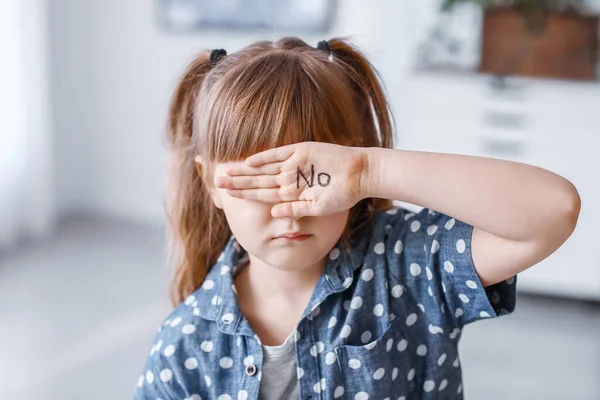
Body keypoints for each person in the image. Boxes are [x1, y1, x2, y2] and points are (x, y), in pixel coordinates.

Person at [134, 37, 580, 400]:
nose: (290, 205)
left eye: (309, 177)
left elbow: (554, 210)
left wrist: (370, 170)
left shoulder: (406, 264)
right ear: (209, 181)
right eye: (263, 182)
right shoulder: (184, 345)